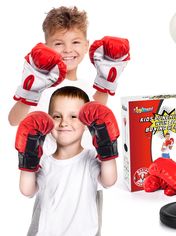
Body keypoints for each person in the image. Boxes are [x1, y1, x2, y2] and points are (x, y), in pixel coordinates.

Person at [8, 6, 130, 155]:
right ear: (46, 47)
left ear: (86, 46)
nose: (67, 50)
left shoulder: (86, 88)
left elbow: (94, 115)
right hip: (46, 167)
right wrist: (29, 92)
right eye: (59, 43)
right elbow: (14, 120)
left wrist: (105, 81)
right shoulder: (41, 85)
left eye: (75, 42)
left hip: (81, 166)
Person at [16, 86, 119, 236]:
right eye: (57, 116)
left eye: (73, 116)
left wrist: (106, 145)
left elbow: (109, 180)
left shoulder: (90, 159)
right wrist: (28, 157)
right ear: (48, 121)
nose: (64, 122)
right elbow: (27, 190)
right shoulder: (44, 162)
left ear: (86, 123)